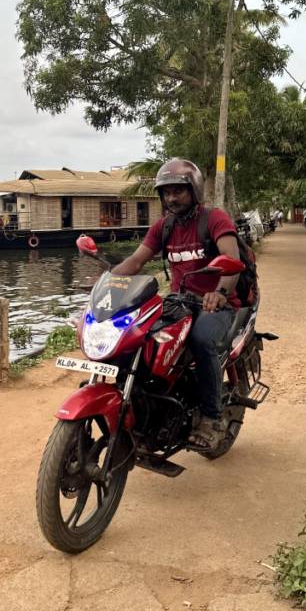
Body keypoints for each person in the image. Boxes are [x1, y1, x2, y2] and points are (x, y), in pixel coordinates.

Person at [111, 159, 242, 452]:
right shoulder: (164, 227)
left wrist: (220, 291)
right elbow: (135, 261)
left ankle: (211, 418)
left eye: (178, 191)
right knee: (140, 336)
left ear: (193, 190)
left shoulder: (215, 219)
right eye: (166, 192)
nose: (171, 198)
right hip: (179, 301)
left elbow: (232, 260)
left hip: (217, 304)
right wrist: (106, 281)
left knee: (201, 339)